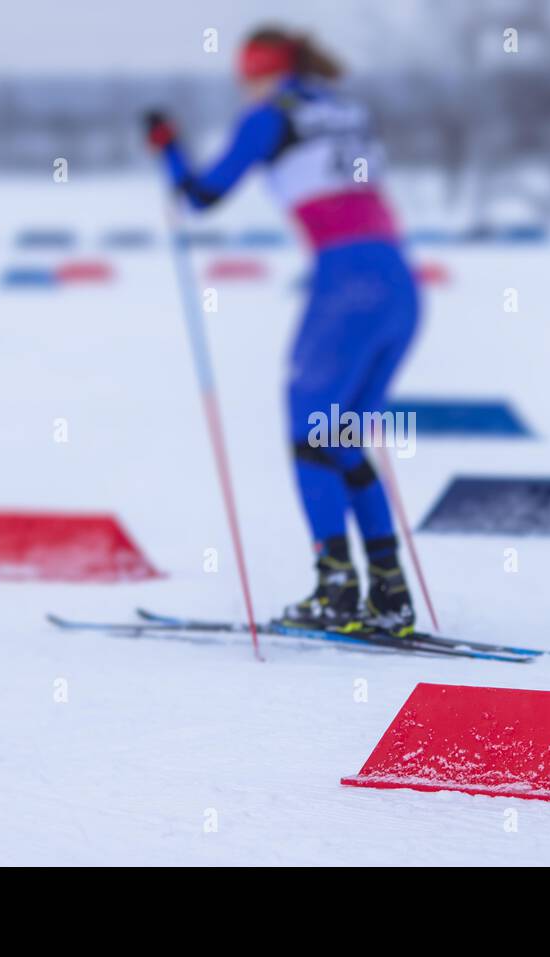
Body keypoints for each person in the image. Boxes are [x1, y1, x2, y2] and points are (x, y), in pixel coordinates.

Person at [144, 27, 420, 636]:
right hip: (400, 283)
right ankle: (390, 592)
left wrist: (167, 147)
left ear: (261, 71)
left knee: (309, 436)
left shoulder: (270, 115)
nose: (243, 86)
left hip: (345, 285)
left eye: (246, 74)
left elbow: (204, 194)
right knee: (343, 436)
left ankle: (338, 590)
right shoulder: (346, 107)